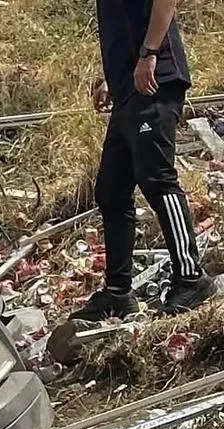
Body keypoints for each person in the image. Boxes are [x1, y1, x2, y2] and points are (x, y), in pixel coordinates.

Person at [71, 0, 216, 320]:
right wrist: (111, 80)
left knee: (157, 178)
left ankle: (191, 277)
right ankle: (118, 292)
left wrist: (149, 54)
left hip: (155, 80)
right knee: (111, 190)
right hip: (128, 89)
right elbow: (122, 27)